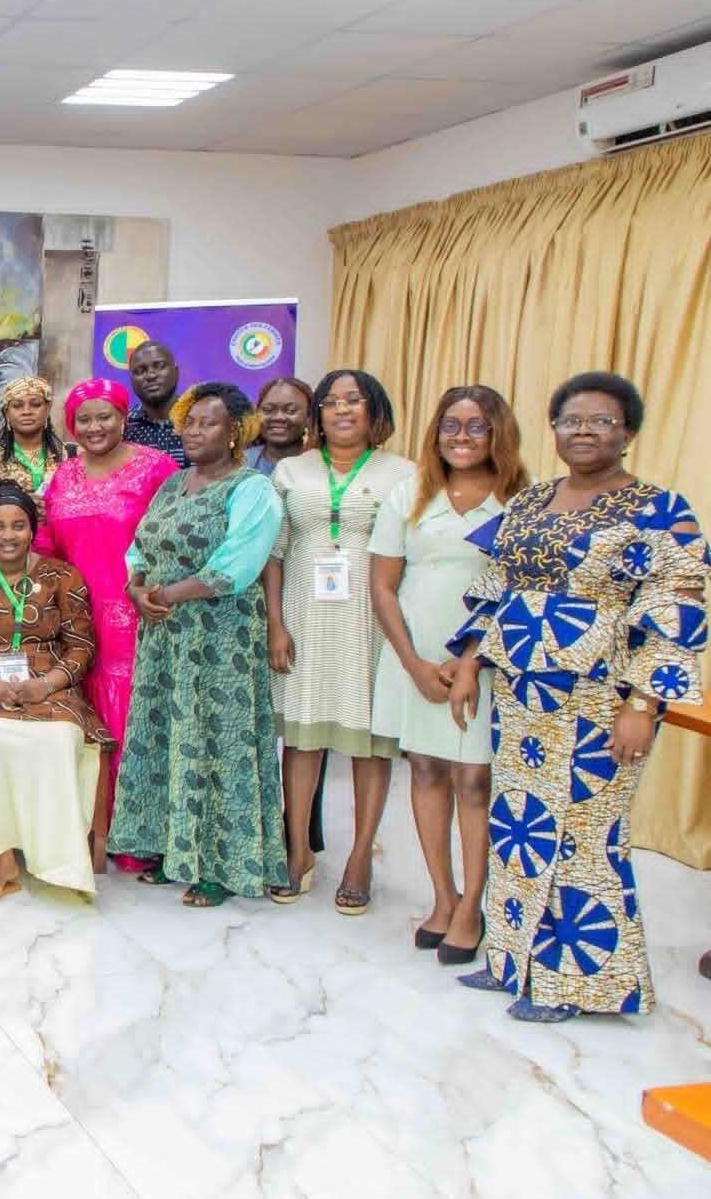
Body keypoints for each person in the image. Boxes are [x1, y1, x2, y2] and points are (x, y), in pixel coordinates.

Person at [449, 372, 706, 1023]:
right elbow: (494, 586)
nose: (584, 430)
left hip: (600, 699)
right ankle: (511, 960)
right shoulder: (533, 501)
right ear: (554, 428)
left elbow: (678, 607)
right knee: (520, 829)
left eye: (601, 420)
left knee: (583, 836)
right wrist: (466, 665)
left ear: (628, 431)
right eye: (572, 420)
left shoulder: (658, 509)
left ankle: (575, 983)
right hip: (522, 693)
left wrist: (644, 705)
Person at [109, 383, 287, 906]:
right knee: (166, 736)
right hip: (165, 636)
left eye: (207, 423)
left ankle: (221, 866)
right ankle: (173, 850)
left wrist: (163, 593)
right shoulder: (173, 483)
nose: (192, 431)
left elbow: (237, 565)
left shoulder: (252, 489)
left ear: (236, 431)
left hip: (221, 637)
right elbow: (140, 544)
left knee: (218, 742)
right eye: (189, 422)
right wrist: (136, 587)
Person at [369, 386, 529, 964]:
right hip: (415, 655)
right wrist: (413, 663)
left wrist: (472, 660)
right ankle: (443, 896)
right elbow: (383, 584)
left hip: (487, 660)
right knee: (428, 770)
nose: (461, 438)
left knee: (475, 781)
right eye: (450, 426)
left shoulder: (524, 501)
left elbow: (522, 594)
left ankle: (473, 905)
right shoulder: (409, 494)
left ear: (499, 433)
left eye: (477, 427)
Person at [263, 368, 414, 912]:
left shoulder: (404, 474)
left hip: (370, 620)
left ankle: (359, 859)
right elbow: (274, 553)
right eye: (331, 402)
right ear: (317, 415)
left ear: (376, 412)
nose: (342, 410)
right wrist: (275, 623)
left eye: (354, 401)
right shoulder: (290, 470)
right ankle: (298, 851)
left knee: (369, 742)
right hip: (302, 614)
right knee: (302, 738)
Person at [0, 485, 112, 906]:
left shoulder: (62, 576)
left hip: (49, 683)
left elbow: (82, 646)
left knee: (57, 739)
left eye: (18, 526)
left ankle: (60, 862)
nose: (8, 535)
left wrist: (44, 684)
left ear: (33, 530)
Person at [35, 378, 178, 870]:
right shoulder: (63, 476)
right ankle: (88, 826)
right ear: (71, 425)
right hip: (73, 613)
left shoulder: (156, 468)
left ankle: (137, 834)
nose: (94, 427)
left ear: (122, 417)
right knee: (82, 717)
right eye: (84, 419)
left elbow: (175, 540)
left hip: (136, 612)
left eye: (105, 416)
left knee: (133, 717)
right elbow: (47, 544)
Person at [0, 374, 68, 502]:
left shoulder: (69, 454)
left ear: (47, 409)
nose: (26, 411)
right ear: (6, 412)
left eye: (36, 404)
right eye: (17, 406)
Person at [123, 341, 185, 465]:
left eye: (159, 366)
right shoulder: (123, 427)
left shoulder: (198, 420)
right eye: (140, 371)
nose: (151, 375)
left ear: (176, 372)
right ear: (132, 380)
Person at [246, 377, 312, 476]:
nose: (278, 417)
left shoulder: (320, 465)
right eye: (268, 410)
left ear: (309, 416)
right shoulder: (240, 463)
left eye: (291, 410)